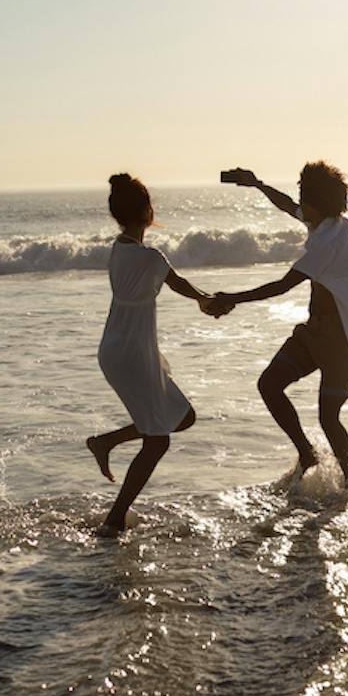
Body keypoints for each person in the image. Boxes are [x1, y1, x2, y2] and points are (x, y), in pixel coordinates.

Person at [206, 163, 348, 489]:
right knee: (269, 384)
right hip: (316, 331)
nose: (301, 203)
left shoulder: (328, 240)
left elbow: (284, 285)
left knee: (329, 417)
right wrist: (257, 183)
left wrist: (232, 298)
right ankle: (307, 453)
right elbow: (290, 206)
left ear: (318, 202)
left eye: (305, 197)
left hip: (341, 339)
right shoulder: (326, 222)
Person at [87, 173, 224, 537]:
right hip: (132, 354)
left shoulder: (119, 249)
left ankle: (105, 442)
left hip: (120, 348)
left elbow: (175, 284)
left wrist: (203, 299)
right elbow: (180, 284)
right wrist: (209, 302)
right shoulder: (150, 257)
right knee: (158, 439)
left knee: (182, 417)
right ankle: (115, 518)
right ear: (147, 211)